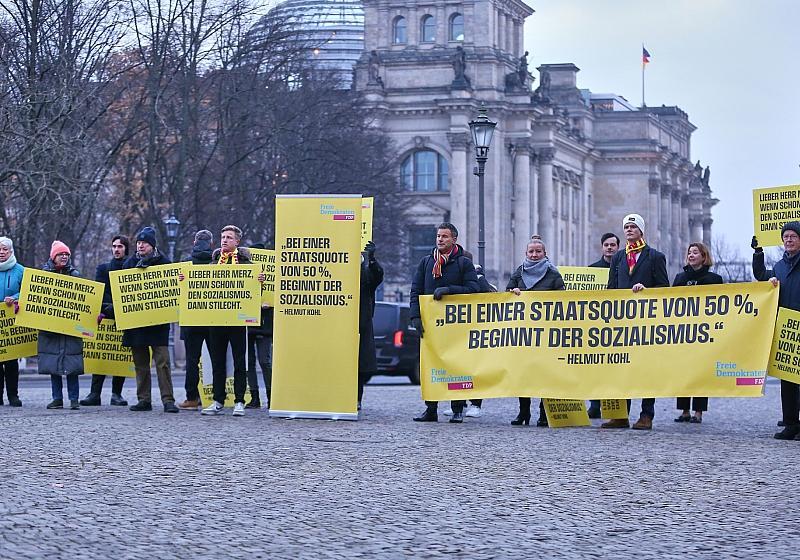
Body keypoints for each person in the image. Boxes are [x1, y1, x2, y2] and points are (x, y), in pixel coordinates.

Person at [602, 213, 668, 430]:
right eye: (626, 227)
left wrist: (647, 291)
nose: (629, 230)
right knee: (621, 368)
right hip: (622, 321)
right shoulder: (619, 258)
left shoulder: (655, 257)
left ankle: (646, 415)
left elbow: (664, 288)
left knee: (647, 370)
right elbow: (611, 288)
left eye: (633, 226)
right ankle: (620, 415)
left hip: (646, 321)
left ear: (641, 230)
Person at [410, 222, 479, 423]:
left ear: (454, 239)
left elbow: (474, 289)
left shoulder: (463, 263)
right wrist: (415, 316)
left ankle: (457, 409)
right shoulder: (426, 262)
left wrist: (449, 290)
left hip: (456, 326)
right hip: (431, 325)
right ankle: (431, 408)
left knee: (457, 366)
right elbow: (415, 291)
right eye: (438, 236)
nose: (440, 239)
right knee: (430, 366)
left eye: (445, 236)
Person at [201, 225, 265, 417]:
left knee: (239, 362)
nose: (224, 240)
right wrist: (184, 280)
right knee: (217, 362)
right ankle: (218, 400)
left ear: (237, 241)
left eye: (229, 237)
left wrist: (259, 282)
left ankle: (239, 401)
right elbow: (201, 288)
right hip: (217, 320)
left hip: (238, 321)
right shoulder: (213, 265)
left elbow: (254, 294)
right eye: (223, 237)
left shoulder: (247, 265)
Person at [507, 236, 565, 426]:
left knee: (544, 374)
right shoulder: (519, 272)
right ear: (526, 253)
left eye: (538, 251)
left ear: (544, 253)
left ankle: (543, 413)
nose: (534, 255)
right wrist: (513, 293)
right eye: (531, 251)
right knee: (523, 373)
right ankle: (523, 412)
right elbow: (506, 294)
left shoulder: (553, 274)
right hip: (523, 333)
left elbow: (562, 300)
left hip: (546, 333)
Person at [122, 227, 179, 413]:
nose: (140, 246)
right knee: (140, 364)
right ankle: (144, 399)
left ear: (152, 246)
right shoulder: (129, 264)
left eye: (144, 243)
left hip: (158, 324)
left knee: (163, 363)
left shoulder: (165, 263)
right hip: (136, 323)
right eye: (139, 243)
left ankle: (168, 400)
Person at [753, 224, 800, 440]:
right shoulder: (779, 266)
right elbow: (761, 275)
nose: (788, 240)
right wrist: (758, 253)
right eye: (785, 237)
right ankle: (791, 424)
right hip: (786, 328)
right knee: (787, 380)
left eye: (793, 236)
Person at [672, 242, 723, 424]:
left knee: (700, 372)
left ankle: (698, 411)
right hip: (683, 331)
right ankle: (684, 410)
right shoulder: (680, 278)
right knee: (683, 370)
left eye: (695, 252)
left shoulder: (714, 280)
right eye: (689, 252)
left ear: (704, 257)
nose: (691, 255)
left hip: (704, 332)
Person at [79, 235, 130, 407]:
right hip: (106, 317)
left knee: (120, 356)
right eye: (114, 246)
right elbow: (99, 292)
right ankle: (95, 393)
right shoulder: (103, 268)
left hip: (124, 318)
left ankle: (117, 394)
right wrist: (110, 308)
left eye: (120, 246)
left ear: (126, 249)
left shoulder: (132, 268)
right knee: (100, 355)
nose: (116, 249)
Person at [443, 255, 496, 419]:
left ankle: (475, 404)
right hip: (459, 331)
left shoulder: (479, 279)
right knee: (457, 369)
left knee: (475, 369)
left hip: (475, 331)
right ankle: (459, 403)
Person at [40, 242, 84, 410]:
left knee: (72, 365)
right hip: (51, 328)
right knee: (54, 364)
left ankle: (74, 399)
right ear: (53, 257)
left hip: (71, 327)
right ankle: (57, 398)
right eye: (61, 254)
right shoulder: (43, 275)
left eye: (66, 254)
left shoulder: (75, 275)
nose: (64, 257)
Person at [178, 230, 214, 410]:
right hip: (213, 320)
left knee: (192, 361)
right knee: (216, 359)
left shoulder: (185, 264)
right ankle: (217, 397)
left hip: (191, 321)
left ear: (194, 242)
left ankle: (191, 398)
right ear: (212, 244)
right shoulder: (217, 263)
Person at [587, 232, 620, 418]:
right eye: (606, 245)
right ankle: (595, 404)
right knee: (595, 367)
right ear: (602, 247)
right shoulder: (592, 269)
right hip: (596, 324)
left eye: (612, 245)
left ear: (618, 247)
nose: (609, 248)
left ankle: (613, 407)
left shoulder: (624, 268)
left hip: (617, 323)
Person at [244, 243, 273, 410]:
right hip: (249, 325)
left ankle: (270, 396)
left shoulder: (271, 274)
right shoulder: (245, 272)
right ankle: (255, 397)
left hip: (264, 325)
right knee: (250, 363)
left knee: (264, 361)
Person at [357, 241, 384, 410]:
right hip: (341, 327)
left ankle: (356, 399)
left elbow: (377, 276)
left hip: (360, 325)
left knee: (358, 367)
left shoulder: (366, 274)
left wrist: (372, 258)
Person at [0, 236, 24, 407]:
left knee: (11, 362)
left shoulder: (20, 270)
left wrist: (15, 297)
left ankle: (13, 395)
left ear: (11, 251)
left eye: (4, 249)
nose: (1, 252)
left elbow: (28, 291)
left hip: (12, 323)